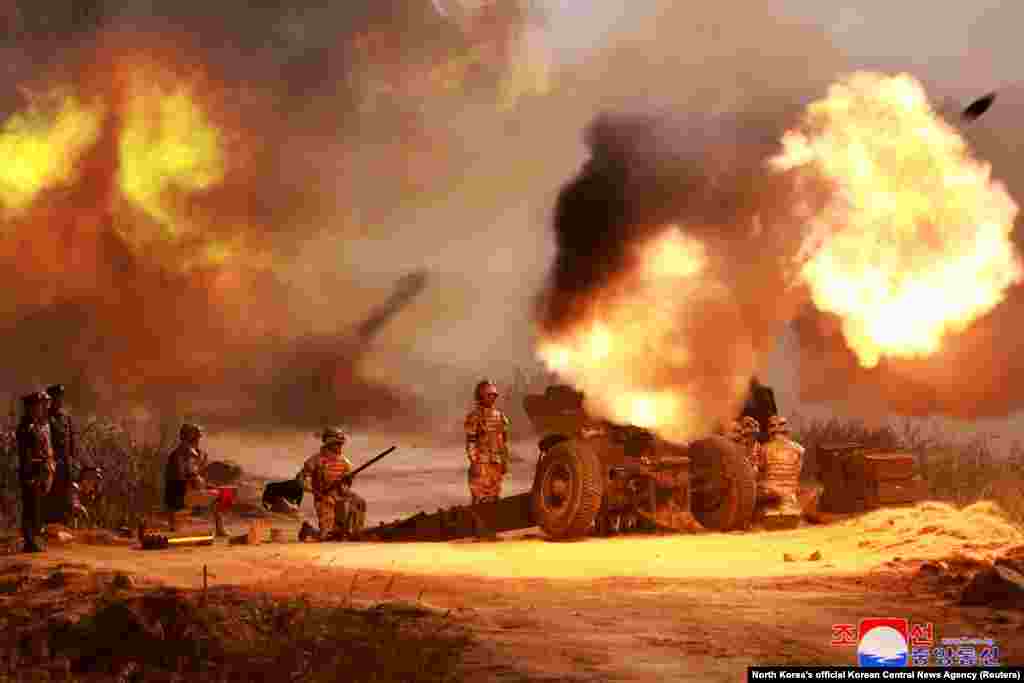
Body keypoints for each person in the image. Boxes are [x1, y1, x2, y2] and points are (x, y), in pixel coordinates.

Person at [298, 426, 367, 542]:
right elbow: (300, 479)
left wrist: (347, 481)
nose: (340, 447)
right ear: (329, 444)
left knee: (359, 502)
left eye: (341, 444)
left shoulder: (345, 462)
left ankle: (355, 531)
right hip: (324, 497)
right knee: (327, 535)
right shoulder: (316, 460)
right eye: (337, 444)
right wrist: (315, 492)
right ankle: (310, 531)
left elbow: (347, 484)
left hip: (340, 495)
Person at [164, 422, 227, 537]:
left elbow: (197, 475)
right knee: (219, 495)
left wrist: (203, 483)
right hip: (180, 496)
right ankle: (220, 529)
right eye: (197, 436)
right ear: (191, 437)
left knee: (217, 492)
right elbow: (183, 477)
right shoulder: (182, 454)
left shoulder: (190, 453)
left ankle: (174, 524)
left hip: (183, 493)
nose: (199, 439)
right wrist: (198, 482)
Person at [17, 391, 55, 552]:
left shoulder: (36, 425)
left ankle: (34, 539)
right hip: (31, 471)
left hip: (39, 470)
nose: (39, 409)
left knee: (36, 506)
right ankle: (29, 540)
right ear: (29, 408)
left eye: (40, 407)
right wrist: (30, 474)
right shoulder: (25, 428)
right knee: (30, 506)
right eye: (36, 407)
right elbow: (25, 454)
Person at [463, 379, 510, 505]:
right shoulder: (475, 417)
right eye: (489, 395)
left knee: (494, 497)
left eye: (494, 395)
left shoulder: (500, 416)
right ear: (481, 396)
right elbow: (471, 441)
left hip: (496, 461)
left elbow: (503, 441)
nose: (493, 398)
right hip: (481, 461)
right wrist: (474, 461)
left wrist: (504, 460)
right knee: (480, 498)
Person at [44, 384, 78, 525]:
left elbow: (71, 440)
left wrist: (72, 459)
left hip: (66, 463)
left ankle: (64, 525)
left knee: (65, 495)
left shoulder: (65, 417)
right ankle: (50, 525)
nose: (59, 401)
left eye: (60, 398)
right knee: (52, 494)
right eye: (56, 398)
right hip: (53, 463)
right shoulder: (45, 417)